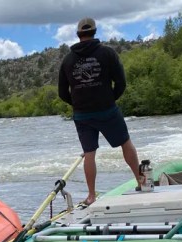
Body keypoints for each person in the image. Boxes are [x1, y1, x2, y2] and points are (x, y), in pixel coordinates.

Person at [58, 17, 145, 205]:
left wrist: (77, 104)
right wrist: (110, 98)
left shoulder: (68, 60)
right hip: (107, 110)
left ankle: (91, 195)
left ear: (78, 34)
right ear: (95, 32)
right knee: (125, 143)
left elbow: (62, 92)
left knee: (89, 153)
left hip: (82, 115)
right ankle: (140, 181)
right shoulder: (107, 53)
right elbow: (121, 82)